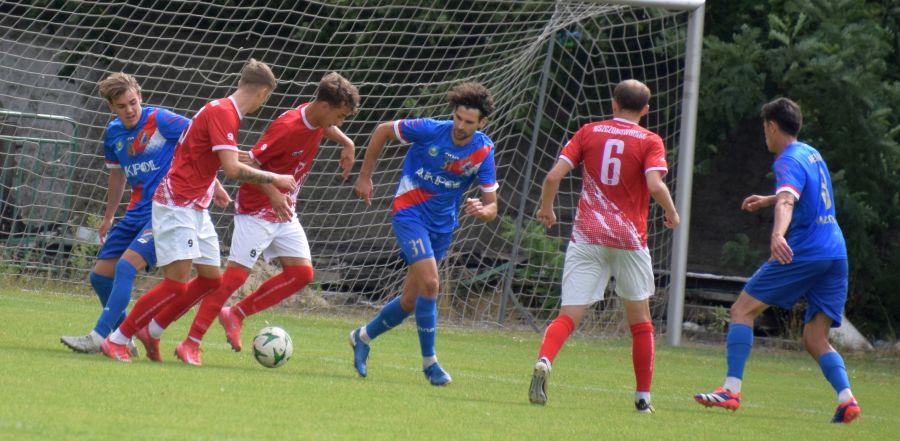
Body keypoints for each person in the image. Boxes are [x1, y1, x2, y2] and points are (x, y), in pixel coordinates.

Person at [99, 59, 297, 362]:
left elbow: (205, 154)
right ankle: (117, 340)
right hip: (177, 203)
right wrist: (275, 178)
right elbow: (232, 168)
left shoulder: (224, 111)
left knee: (210, 279)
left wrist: (213, 185)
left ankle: (151, 331)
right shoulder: (224, 113)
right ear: (263, 93)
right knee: (176, 283)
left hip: (196, 205)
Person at [171, 72, 360, 366]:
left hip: (284, 210)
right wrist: (273, 194)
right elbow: (250, 164)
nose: (340, 122)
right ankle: (190, 343)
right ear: (324, 106)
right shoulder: (287, 128)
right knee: (234, 277)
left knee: (302, 273)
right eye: (340, 116)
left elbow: (327, 128)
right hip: (257, 208)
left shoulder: (316, 119)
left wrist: (347, 143)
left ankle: (236, 314)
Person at [694, 98, 860, 424]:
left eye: (764, 128)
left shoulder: (786, 160)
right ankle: (847, 400)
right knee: (815, 338)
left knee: (742, 310)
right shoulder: (811, 153)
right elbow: (801, 195)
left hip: (807, 251)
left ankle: (731, 389)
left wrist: (777, 235)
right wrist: (767, 200)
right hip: (835, 252)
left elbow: (788, 201)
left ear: (772, 126)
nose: (764, 134)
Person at [527, 80, 679, 413]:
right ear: (645, 110)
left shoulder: (589, 131)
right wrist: (671, 211)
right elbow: (655, 185)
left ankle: (545, 360)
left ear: (613, 103)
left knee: (569, 314)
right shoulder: (650, 140)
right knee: (640, 321)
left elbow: (552, 177)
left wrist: (547, 208)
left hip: (587, 235)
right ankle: (643, 398)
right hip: (629, 239)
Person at [60, 73, 230, 354]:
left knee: (126, 268)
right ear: (111, 107)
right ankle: (123, 336)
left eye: (133, 102)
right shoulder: (113, 133)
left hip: (166, 210)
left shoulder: (161, 120)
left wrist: (215, 184)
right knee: (100, 276)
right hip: (135, 212)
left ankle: (99, 337)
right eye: (122, 106)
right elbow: (117, 176)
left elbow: (199, 144)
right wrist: (108, 216)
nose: (129, 109)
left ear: (140, 97)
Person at [349, 81, 499, 386]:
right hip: (409, 213)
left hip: (442, 226)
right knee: (431, 284)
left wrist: (482, 210)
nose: (460, 126)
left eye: (469, 122)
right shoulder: (429, 129)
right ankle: (430, 364)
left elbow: (492, 206)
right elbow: (382, 130)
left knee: (409, 301)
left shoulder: (483, 150)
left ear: (482, 123)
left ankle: (361, 337)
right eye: (458, 118)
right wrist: (365, 177)